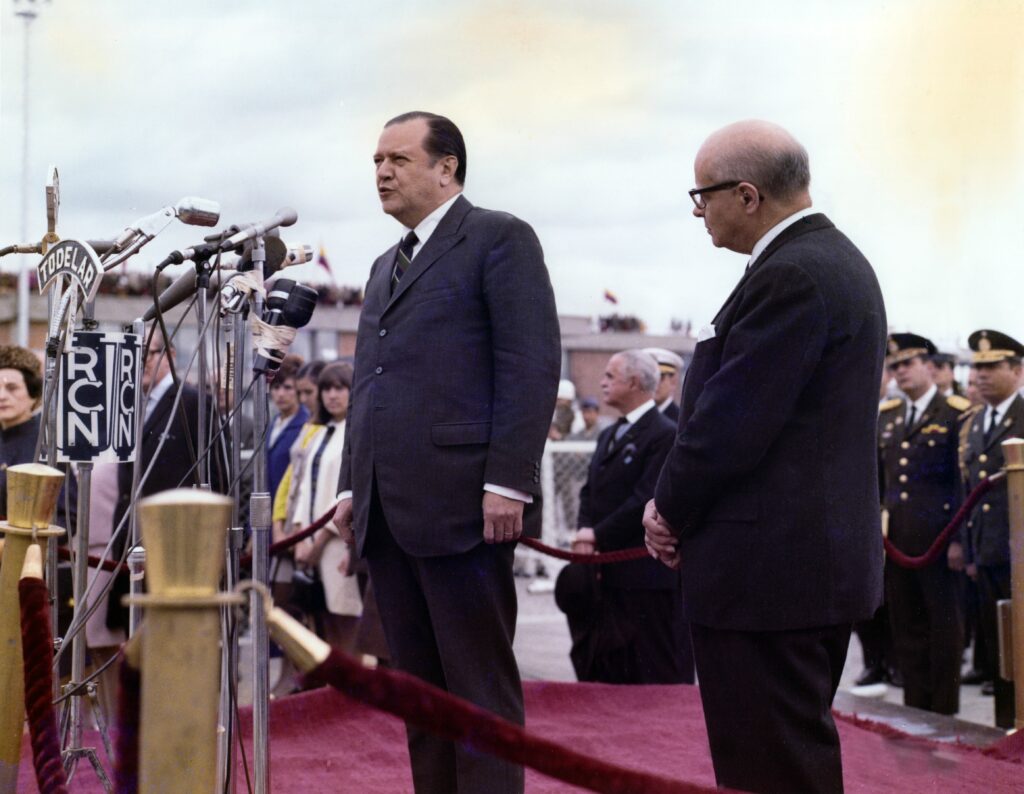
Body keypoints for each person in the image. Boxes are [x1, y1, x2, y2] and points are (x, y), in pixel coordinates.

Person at [644, 120, 886, 793]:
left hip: (771, 577)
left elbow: (730, 424)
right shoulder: (823, 263)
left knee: (770, 766)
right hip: (794, 570)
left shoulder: (795, 276)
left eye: (702, 197)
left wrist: (667, 507)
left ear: (746, 195)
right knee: (781, 756)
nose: (700, 213)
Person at [333, 110, 560, 793]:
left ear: (447, 168)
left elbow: (529, 363)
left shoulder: (499, 238)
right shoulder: (384, 264)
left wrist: (509, 482)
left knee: (476, 688)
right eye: (376, 160)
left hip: (463, 506)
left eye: (398, 159)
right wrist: (351, 486)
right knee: (419, 692)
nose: (382, 172)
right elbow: (370, 383)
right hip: (389, 511)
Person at [568, 349, 693, 684]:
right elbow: (588, 490)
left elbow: (645, 499)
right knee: (610, 671)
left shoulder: (665, 433)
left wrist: (597, 536)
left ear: (635, 382)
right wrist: (584, 530)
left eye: (610, 376)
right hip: (608, 576)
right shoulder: (610, 434)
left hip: (645, 579)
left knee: (653, 675)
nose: (602, 383)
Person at [108, 327, 226, 631]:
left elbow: (215, 476)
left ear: (169, 355)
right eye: (133, 356)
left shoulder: (192, 403)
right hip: (129, 542)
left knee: (170, 637)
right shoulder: (128, 404)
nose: (141, 362)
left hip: (174, 544)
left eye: (148, 354)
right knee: (134, 641)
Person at [878, 333, 968, 714]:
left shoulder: (956, 412)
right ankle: (915, 709)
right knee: (907, 628)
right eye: (895, 366)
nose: (900, 372)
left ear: (930, 367)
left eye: (908, 364)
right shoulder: (890, 416)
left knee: (944, 628)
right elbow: (882, 482)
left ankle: (943, 711)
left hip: (940, 539)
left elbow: (963, 483)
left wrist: (959, 541)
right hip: (898, 541)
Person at [959, 328, 1024, 728]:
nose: (981, 375)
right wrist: (970, 549)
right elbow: (970, 493)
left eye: (992, 366)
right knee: (1000, 650)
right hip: (987, 552)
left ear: (1017, 371)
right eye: (977, 367)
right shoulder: (976, 421)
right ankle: (1006, 726)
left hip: (1020, 554)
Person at [293, 362, 362, 650]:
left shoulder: (356, 431)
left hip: (338, 540)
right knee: (321, 626)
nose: (332, 395)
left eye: (340, 388)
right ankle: (330, 691)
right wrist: (300, 537)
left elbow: (349, 492)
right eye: (327, 389)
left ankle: (349, 693)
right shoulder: (321, 431)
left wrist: (319, 542)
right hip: (309, 540)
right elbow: (305, 488)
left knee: (345, 623)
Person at [643, 347, 684, 421]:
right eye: (649, 378)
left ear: (673, 381)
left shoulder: (681, 421)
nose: (654, 384)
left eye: (660, 378)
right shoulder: (634, 418)